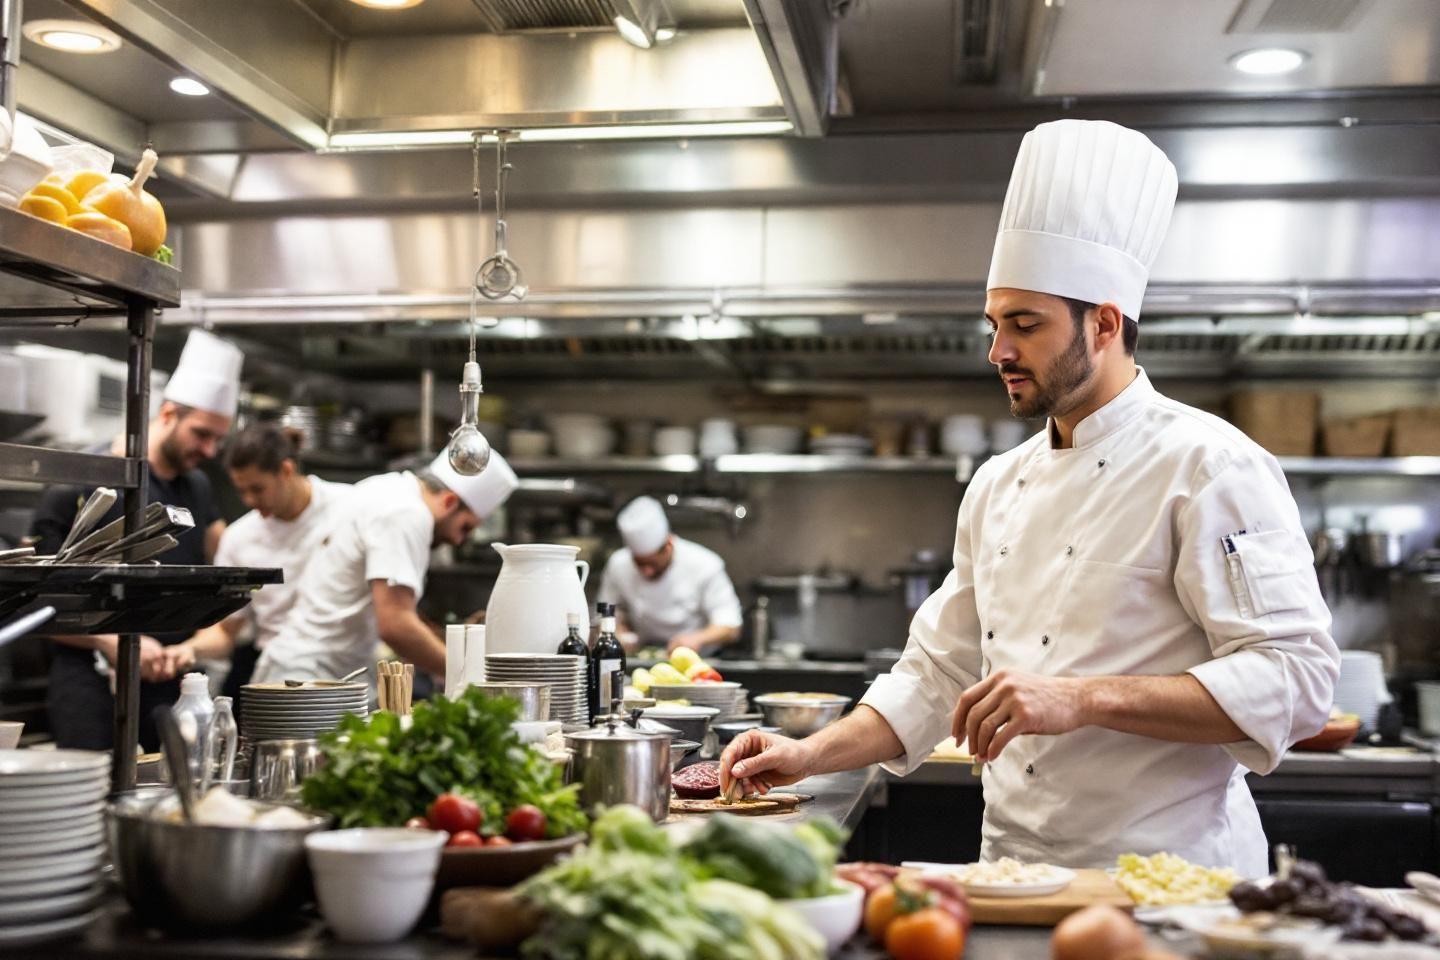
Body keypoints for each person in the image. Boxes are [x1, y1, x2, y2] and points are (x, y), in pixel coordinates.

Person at [719, 119, 1339, 876]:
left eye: (1025, 324)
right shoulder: (996, 484)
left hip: (1169, 887)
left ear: (1105, 323)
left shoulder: (1210, 466)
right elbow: (933, 673)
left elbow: (1297, 681)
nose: (997, 351)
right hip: (1013, 876)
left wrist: (1083, 698)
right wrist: (810, 752)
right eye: (994, 324)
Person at [30, 329, 242, 750]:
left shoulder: (196, 487)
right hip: (89, 682)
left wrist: (191, 647)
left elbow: (218, 571)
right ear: (167, 414)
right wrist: (113, 641)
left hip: (171, 684)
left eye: (219, 438)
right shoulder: (86, 478)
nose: (211, 449)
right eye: (202, 434)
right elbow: (35, 600)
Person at [251, 450, 518, 685]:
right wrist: (471, 680)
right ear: (449, 501)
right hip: (308, 679)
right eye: (465, 527)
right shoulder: (406, 514)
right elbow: (395, 624)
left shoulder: (386, 487)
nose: (458, 540)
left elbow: (391, 606)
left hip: (303, 669)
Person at [161, 425, 352, 696]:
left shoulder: (350, 508)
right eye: (241, 490)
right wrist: (187, 649)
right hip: (281, 678)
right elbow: (227, 631)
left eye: (258, 489)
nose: (249, 500)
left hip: (352, 675)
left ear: (286, 470)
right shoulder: (239, 538)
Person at [597, 496, 743, 656]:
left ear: (669, 545)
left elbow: (730, 626)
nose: (647, 571)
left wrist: (697, 639)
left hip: (698, 661)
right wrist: (618, 631)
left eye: (652, 563)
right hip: (642, 657)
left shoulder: (705, 564)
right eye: (639, 563)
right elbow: (608, 613)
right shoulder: (618, 564)